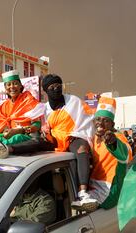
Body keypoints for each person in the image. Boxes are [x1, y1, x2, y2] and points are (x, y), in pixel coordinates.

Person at [41, 74, 97, 211]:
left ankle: (83, 193)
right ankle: (70, 198)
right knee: (68, 164)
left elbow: (86, 121)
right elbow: (44, 128)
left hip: (74, 136)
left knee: (81, 150)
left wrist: (75, 135)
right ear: (46, 91)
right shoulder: (44, 109)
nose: (56, 89)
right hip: (54, 141)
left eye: (58, 86)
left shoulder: (74, 101)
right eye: (52, 87)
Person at [86, 96, 132, 210]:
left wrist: (113, 142)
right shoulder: (93, 138)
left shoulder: (118, 137)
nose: (100, 123)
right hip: (91, 188)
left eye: (105, 120)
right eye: (98, 119)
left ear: (112, 124)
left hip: (108, 192)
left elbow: (125, 154)